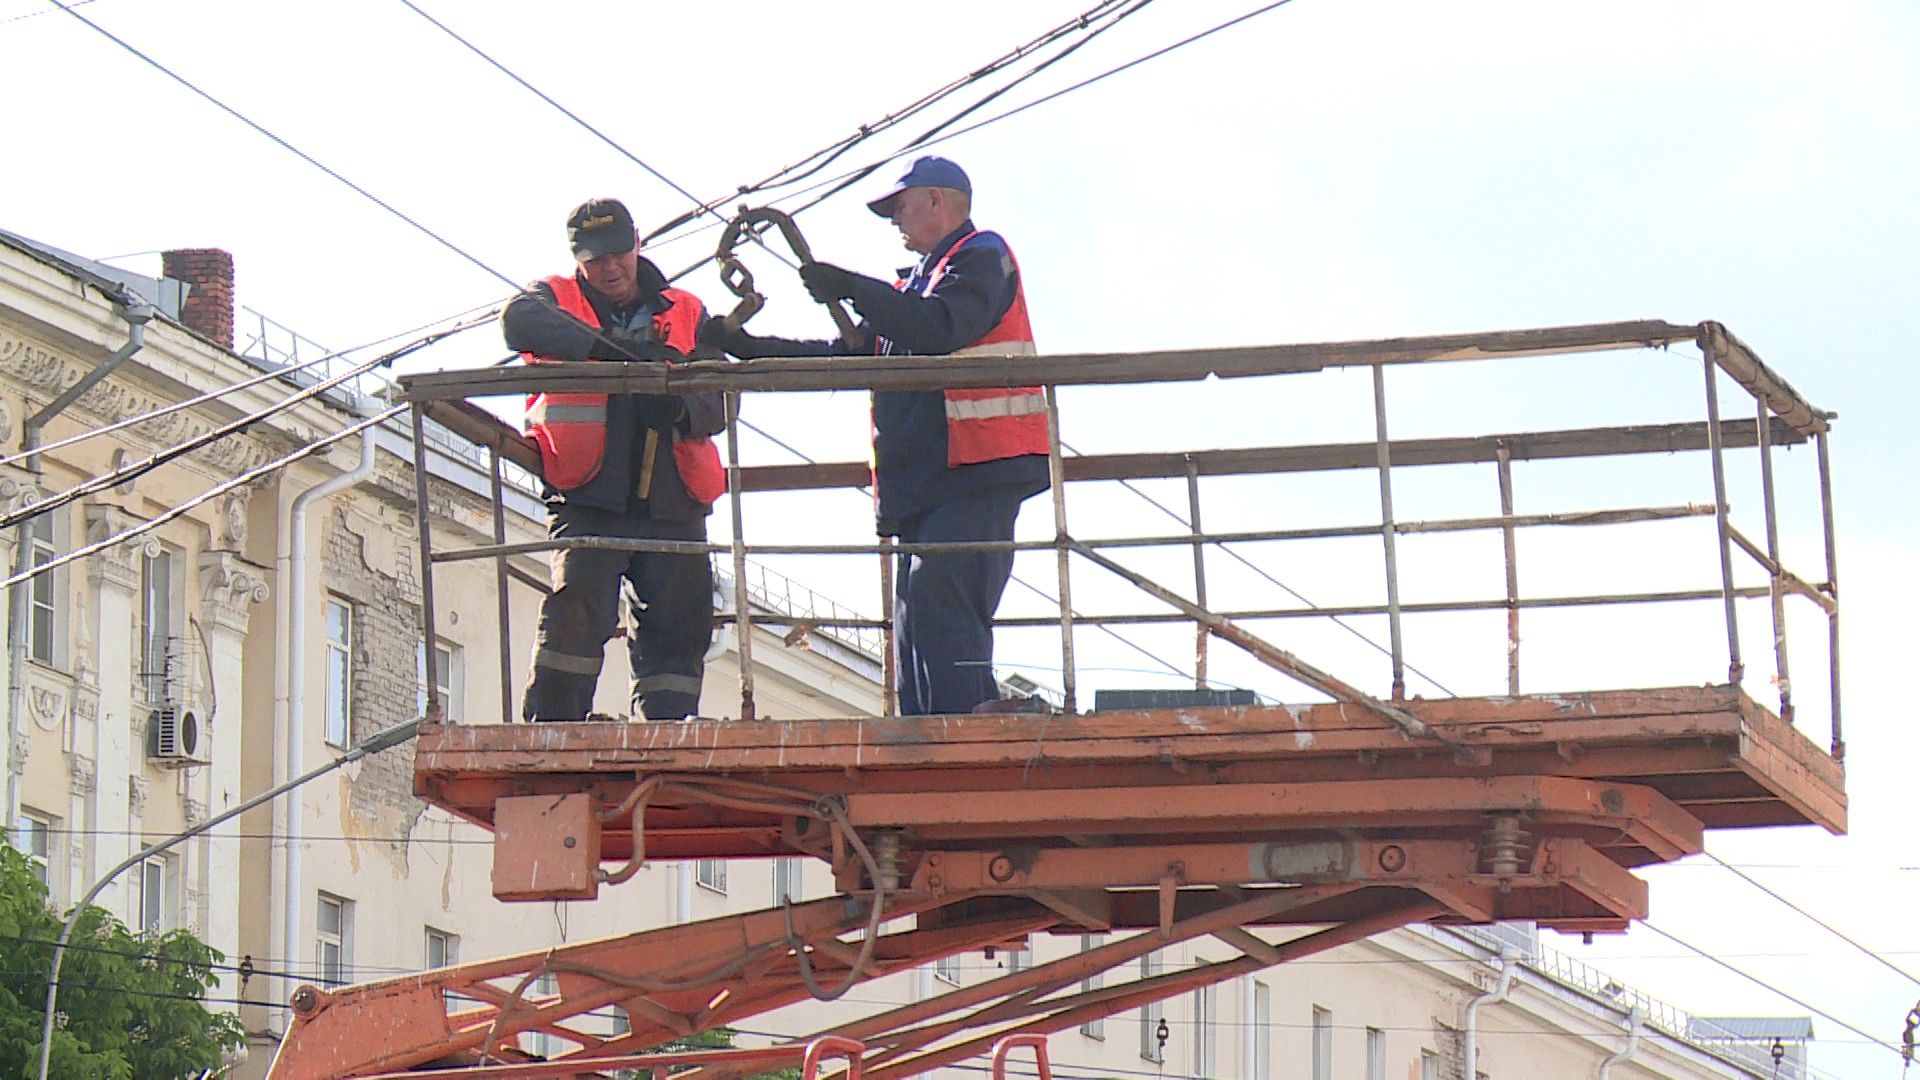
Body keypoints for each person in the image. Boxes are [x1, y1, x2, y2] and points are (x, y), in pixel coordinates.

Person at [705, 157, 1046, 715]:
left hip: (979, 466)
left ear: (936, 201)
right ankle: (927, 729)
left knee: (943, 597)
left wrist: (851, 287)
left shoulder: (984, 256)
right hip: (929, 479)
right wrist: (744, 345)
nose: (894, 220)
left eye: (900, 207)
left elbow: (938, 329)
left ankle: (961, 727)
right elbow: (843, 359)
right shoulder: (914, 286)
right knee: (915, 617)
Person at [505, 197, 728, 722]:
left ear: (637, 244)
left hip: (673, 501)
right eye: (595, 259)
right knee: (576, 612)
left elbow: (720, 399)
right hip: (590, 494)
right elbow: (519, 321)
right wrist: (614, 354)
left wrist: (674, 405)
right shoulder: (554, 299)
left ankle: (667, 731)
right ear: (578, 260)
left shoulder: (687, 310)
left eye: (618, 254)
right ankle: (554, 730)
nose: (610, 268)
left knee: (679, 622)